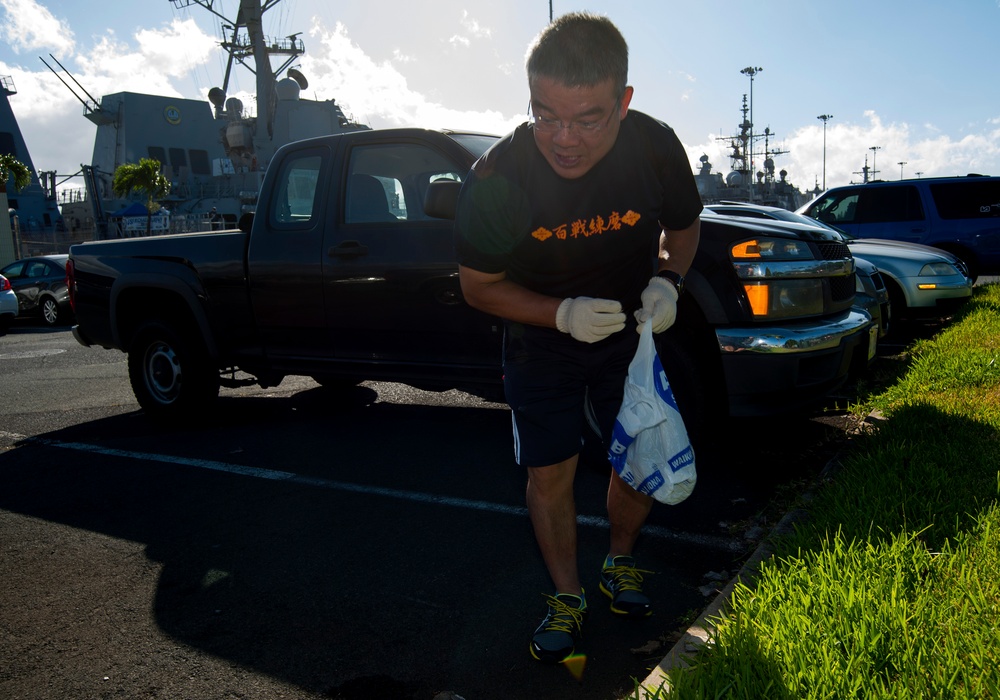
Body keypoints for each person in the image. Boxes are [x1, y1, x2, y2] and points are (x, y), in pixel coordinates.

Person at [453, 12, 702, 664]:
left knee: (638, 452)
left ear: (624, 101)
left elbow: (683, 228)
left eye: (587, 118)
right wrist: (560, 314)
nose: (562, 139)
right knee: (550, 470)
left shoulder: (654, 147)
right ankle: (567, 594)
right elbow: (479, 286)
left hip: (628, 328)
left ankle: (619, 561)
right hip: (542, 337)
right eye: (544, 114)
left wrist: (670, 280)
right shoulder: (500, 175)